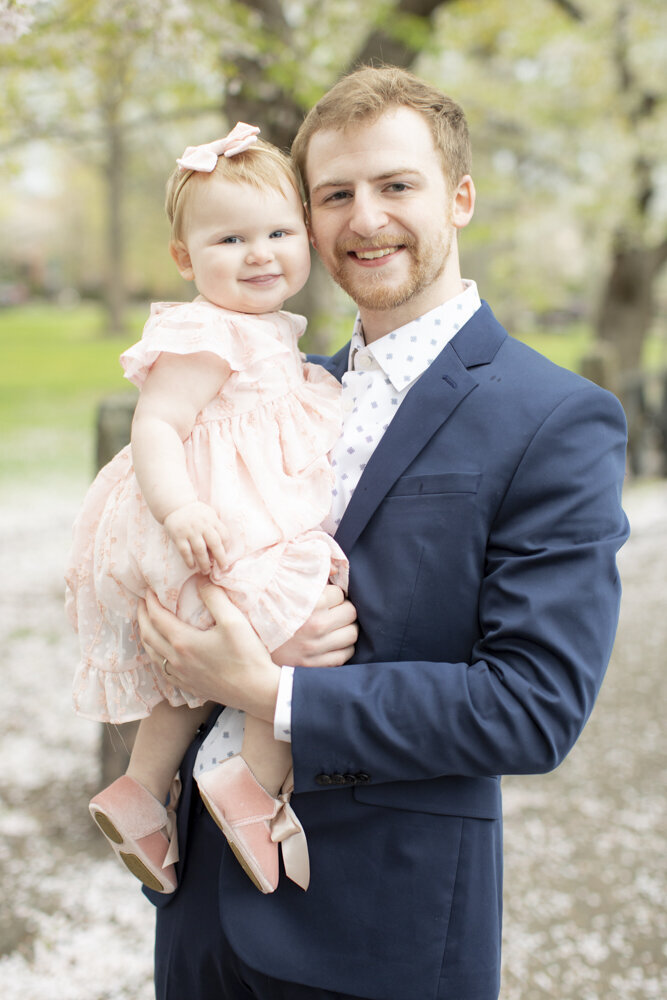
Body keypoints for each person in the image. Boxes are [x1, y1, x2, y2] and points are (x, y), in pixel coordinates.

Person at [136, 66, 630, 1000]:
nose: (365, 219)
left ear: (460, 196)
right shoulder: (266, 393)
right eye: (335, 194)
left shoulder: (556, 419)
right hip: (199, 917)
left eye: (395, 185)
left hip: (377, 936)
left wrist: (271, 693)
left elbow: (533, 706)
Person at [65, 123, 347, 900]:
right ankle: (251, 785)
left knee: (189, 679)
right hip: (208, 524)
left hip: (230, 517)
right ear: (185, 259)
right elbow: (155, 426)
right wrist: (182, 508)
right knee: (297, 626)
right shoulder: (202, 332)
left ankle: (141, 791)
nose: (259, 254)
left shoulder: (268, 331)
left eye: (278, 233)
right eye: (230, 238)